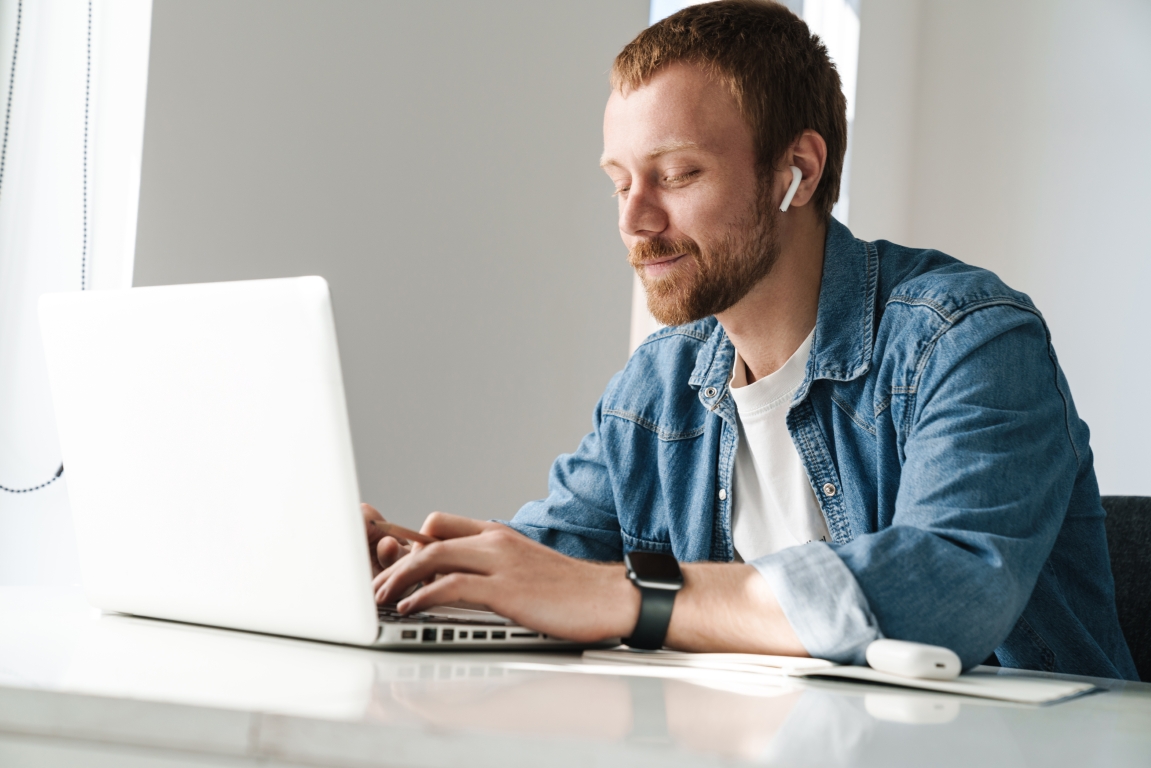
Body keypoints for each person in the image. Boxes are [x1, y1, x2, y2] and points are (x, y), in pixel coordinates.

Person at [364, 0, 1137, 679]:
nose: (632, 221)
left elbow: (949, 586)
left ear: (794, 171)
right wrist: (406, 562)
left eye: (675, 174)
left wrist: (628, 596)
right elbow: (551, 567)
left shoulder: (965, 341)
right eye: (619, 181)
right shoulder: (658, 386)